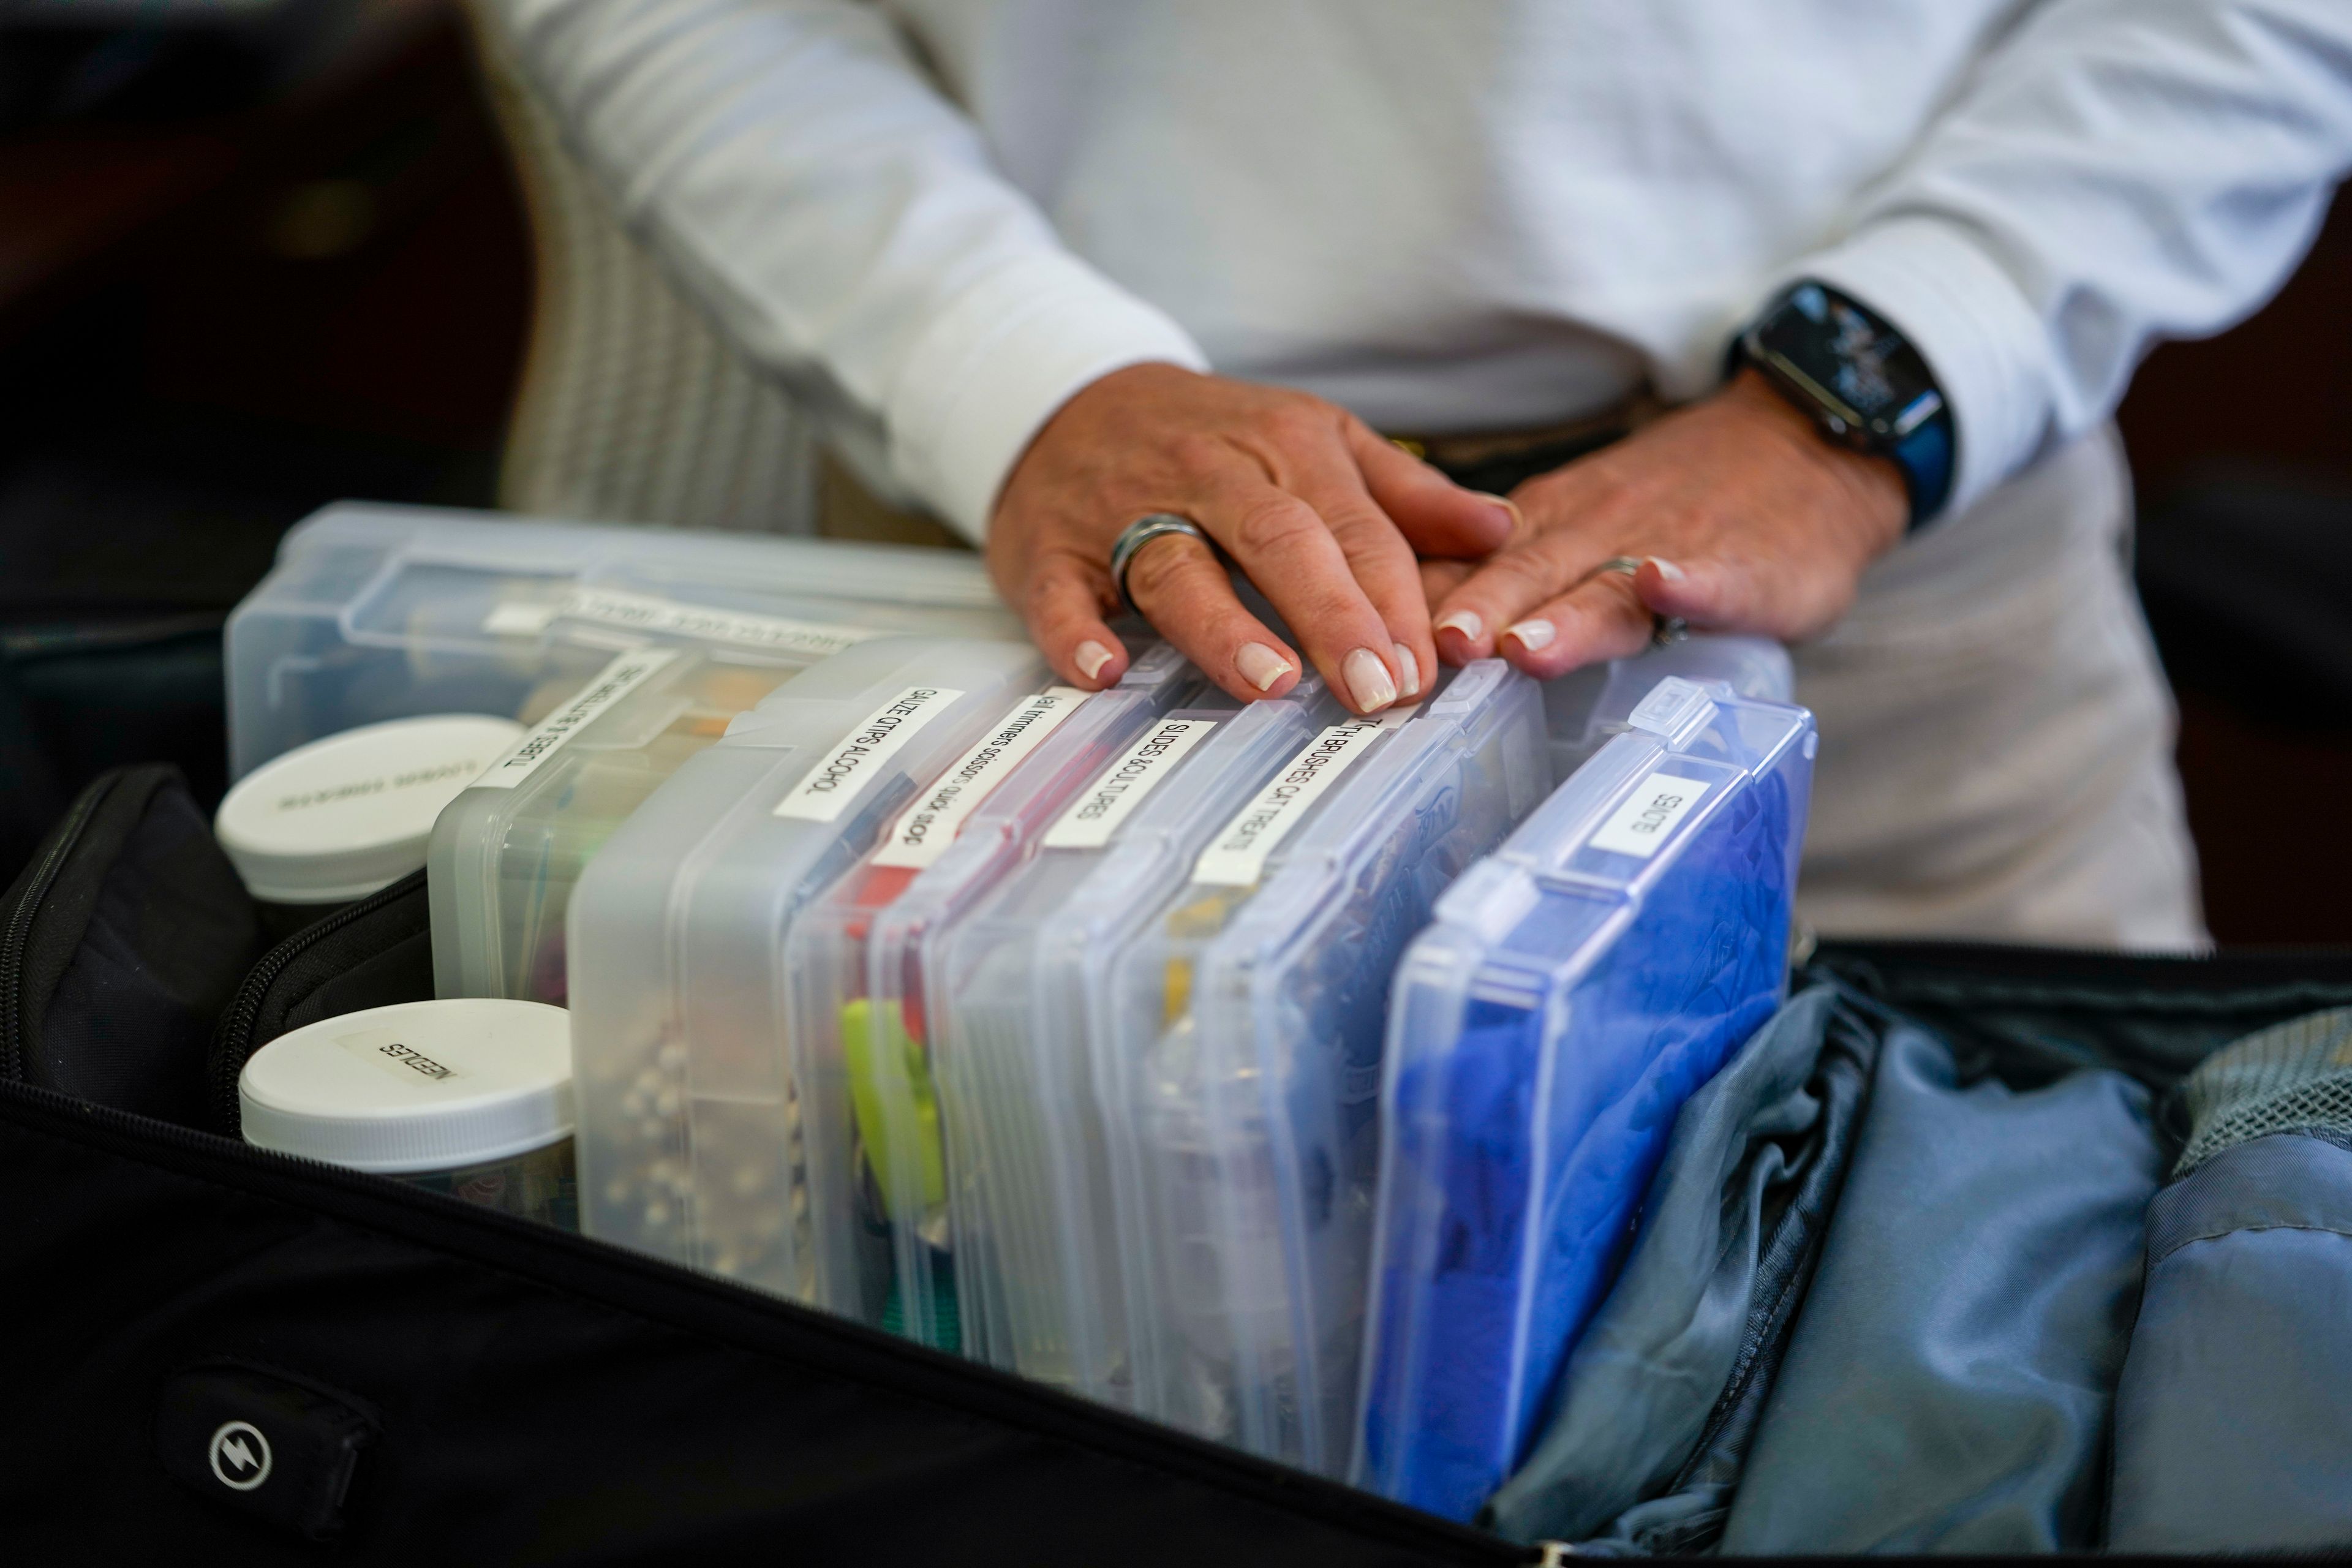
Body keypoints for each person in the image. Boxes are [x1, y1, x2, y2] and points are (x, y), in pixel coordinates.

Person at [481, 0, 2352, 949]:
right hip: (1077, 593)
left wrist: (1874, 387)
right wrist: (1011, 371)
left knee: (2027, 1373)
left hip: (1872, 601)